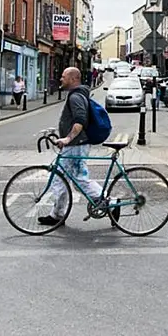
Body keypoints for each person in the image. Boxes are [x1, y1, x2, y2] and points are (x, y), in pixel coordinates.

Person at [37, 67, 107, 226]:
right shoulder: (76, 95)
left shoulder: (75, 97)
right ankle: (57, 214)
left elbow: (80, 119)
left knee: (77, 180)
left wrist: (68, 138)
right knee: (61, 179)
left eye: (63, 77)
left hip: (76, 144)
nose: (60, 79)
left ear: (73, 79)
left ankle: (108, 201)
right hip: (76, 145)